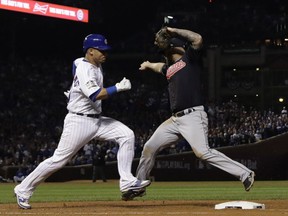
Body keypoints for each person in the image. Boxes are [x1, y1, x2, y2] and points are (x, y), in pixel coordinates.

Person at [14, 33, 150, 209]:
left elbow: (74, 64)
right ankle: (23, 189)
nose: (105, 54)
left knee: (126, 134)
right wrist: (117, 87)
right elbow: (95, 94)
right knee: (58, 160)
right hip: (79, 121)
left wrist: (74, 91)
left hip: (97, 121)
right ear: (91, 51)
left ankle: (126, 182)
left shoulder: (83, 62)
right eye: (101, 50)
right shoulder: (85, 68)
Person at [130, 26, 255, 200]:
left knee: (202, 152)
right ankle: (138, 185)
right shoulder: (170, 68)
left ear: (174, 47)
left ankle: (245, 174)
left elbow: (197, 39)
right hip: (175, 120)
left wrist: (173, 31)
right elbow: (161, 67)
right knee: (149, 147)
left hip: (193, 116)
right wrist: (149, 64)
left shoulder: (190, 58)